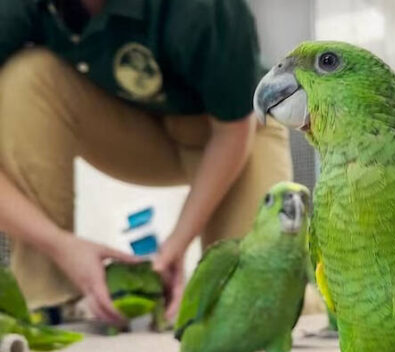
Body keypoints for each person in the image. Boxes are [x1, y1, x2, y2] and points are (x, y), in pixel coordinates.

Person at [0, 0, 292, 324]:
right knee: (26, 77)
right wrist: (59, 245)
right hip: (129, 125)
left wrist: (177, 243)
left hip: (232, 135)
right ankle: (47, 304)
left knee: (255, 301)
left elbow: (232, 132)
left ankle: (306, 302)